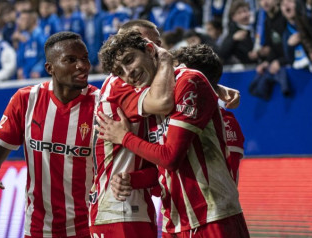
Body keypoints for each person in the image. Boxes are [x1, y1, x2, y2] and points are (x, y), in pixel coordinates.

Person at [89, 19, 241, 238]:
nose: (127, 74)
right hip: (167, 219)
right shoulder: (134, 92)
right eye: (119, 70)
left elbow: (170, 157)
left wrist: (125, 137)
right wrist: (134, 178)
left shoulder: (177, 86)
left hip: (211, 217)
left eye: (157, 43)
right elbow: (163, 169)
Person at [0, 32, 97, 238]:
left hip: (88, 226)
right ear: (50, 68)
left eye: (85, 58)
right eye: (71, 60)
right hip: (38, 227)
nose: (82, 65)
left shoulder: (100, 103)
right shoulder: (26, 99)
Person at [172, 44, 245, 184]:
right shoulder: (169, 113)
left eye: (178, 74)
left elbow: (226, 177)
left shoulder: (225, 122)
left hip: (211, 203)